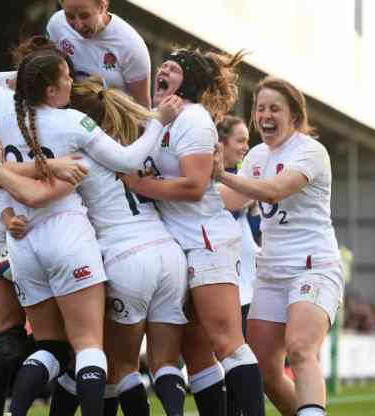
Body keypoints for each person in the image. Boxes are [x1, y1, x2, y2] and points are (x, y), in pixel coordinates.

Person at [0, 48, 180, 416]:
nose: (71, 81)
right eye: (64, 76)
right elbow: (129, 160)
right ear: (50, 90)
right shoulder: (74, 126)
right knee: (88, 346)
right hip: (70, 236)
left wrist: (24, 81)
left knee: (51, 344)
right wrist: (158, 120)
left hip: (23, 242)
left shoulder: (3, 107)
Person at [122, 48, 266, 416]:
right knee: (196, 349)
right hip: (176, 243)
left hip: (206, 240)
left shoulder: (195, 120)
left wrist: (142, 186)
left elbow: (195, 186)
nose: (163, 69)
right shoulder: (163, 120)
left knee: (227, 342)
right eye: (163, 65)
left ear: (189, 82)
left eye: (174, 67)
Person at [0, 36, 86, 416]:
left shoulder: (55, 112)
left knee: (65, 340)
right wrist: (52, 165)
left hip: (36, 229)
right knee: (11, 338)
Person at [213, 76, 344, 416]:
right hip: (271, 272)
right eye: (260, 108)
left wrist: (220, 174)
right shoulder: (257, 155)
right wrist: (184, 189)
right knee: (264, 371)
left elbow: (272, 190)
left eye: (275, 108)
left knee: (300, 349)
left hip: (314, 266)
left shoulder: (310, 151)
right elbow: (233, 199)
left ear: (294, 115)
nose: (265, 115)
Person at [216, 114, 260, 416]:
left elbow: (255, 230)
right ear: (222, 143)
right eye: (240, 140)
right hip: (223, 277)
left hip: (246, 282)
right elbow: (228, 211)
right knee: (229, 357)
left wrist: (254, 205)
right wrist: (253, 193)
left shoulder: (243, 181)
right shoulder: (215, 178)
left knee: (240, 358)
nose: (246, 146)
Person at [48, 0, 152, 107]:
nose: (78, 25)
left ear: (102, 7)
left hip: (111, 120)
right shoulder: (57, 24)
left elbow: (142, 107)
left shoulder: (131, 45)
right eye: (70, 16)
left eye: (85, 16)